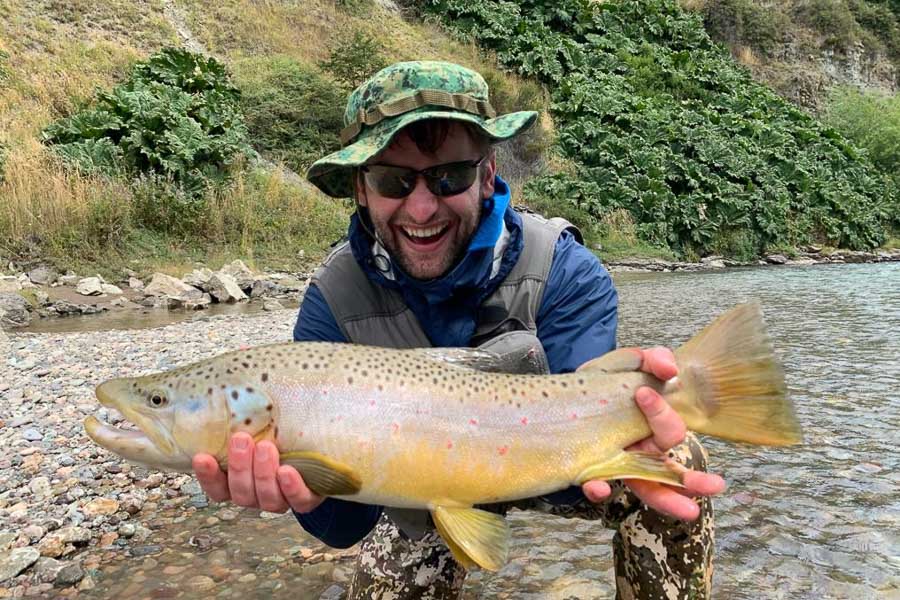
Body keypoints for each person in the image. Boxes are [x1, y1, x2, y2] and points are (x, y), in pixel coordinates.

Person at [193, 61, 725, 599]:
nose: (422, 207)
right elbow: (346, 527)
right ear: (361, 187)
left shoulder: (564, 269)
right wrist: (303, 494)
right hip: (420, 494)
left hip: (543, 454)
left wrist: (621, 450)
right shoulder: (335, 302)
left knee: (677, 460)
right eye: (392, 180)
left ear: (487, 174)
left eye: (449, 176)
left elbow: (578, 463)